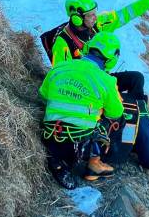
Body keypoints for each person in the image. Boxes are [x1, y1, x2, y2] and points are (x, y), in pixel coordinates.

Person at [43, 0, 149, 101]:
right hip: (83, 90)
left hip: (102, 80)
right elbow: (60, 79)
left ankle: (137, 113)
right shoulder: (62, 44)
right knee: (118, 98)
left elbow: (125, 14)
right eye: (91, 15)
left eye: (95, 13)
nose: (95, 17)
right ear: (77, 18)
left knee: (136, 78)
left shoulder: (98, 24)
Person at [39, 32, 125, 189]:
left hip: (49, 135)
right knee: (117, 118)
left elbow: (43, 94)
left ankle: (59, 161)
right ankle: (94, 163)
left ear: (87, 48)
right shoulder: (107, 80)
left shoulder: (60, 66)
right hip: (76, 145)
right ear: (112, 59)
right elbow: (115, 113)